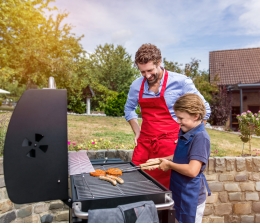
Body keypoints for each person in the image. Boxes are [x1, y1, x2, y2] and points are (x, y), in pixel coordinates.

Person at [124, 43, 211, 188]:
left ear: (159, 62)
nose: (147, 75)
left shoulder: (181, 82)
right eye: (142, 72)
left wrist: (189, 138)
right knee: (137, 184)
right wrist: (137, 132)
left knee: (168, 189)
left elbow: (205, 109)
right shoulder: (136, 86)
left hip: (171, 144)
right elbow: (129, 109)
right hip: (145, 144)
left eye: (150, 70)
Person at [148, 93, 211, 223]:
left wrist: (169, 165)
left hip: (191, 195)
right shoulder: (185, 131)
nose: (178, 121)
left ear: (196, 116)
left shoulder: (201, 137)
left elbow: (192, 170)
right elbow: (181, 157)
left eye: (181, 118)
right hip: (179, 189)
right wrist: (162, 159)